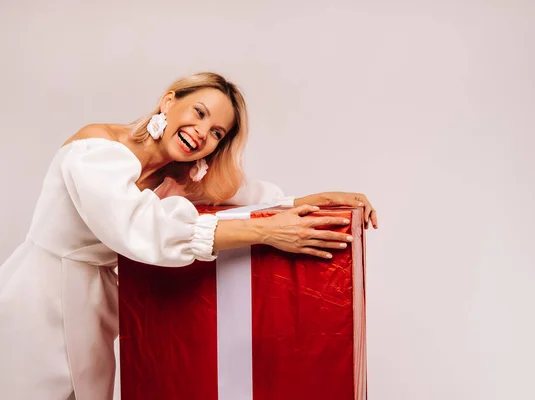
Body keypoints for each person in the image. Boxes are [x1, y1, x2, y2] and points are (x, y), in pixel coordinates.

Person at [0, 72, 378, 399]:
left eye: (217, 132)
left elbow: (255, 197)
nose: (202, 133)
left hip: (94, 309)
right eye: (199, 113)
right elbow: (140, 226)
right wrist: (265, 232)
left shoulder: (178, 178)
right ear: (168, 101)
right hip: (38, 299)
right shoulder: (96, 148)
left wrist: (329, 199)